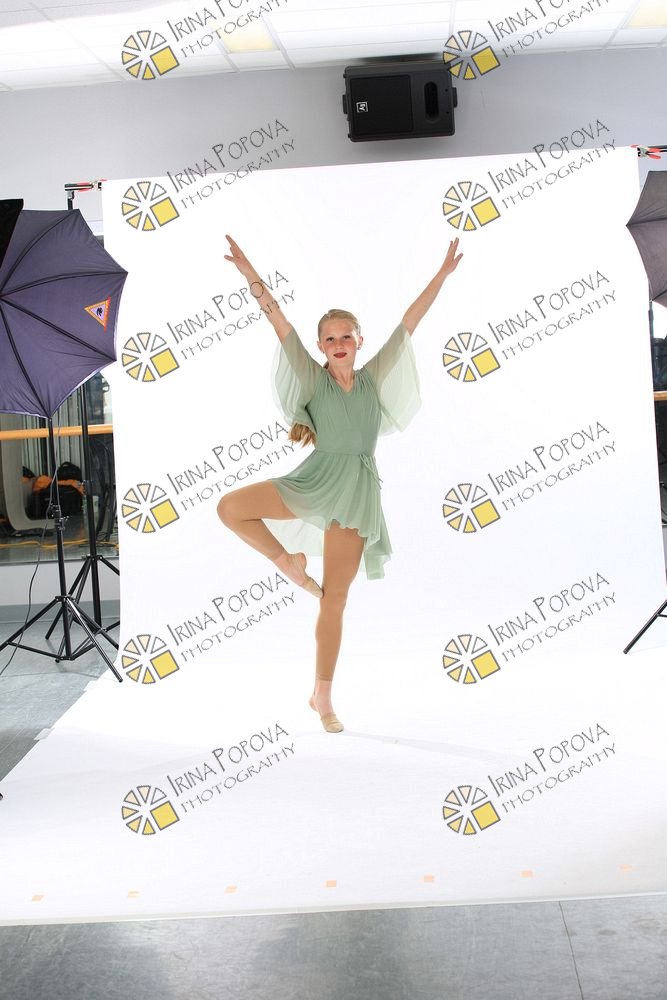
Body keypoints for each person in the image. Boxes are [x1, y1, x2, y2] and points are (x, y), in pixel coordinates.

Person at [218, 234, 463, 733]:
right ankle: (287, 562)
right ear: (321, 347)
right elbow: (278, 322)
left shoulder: (372, 377)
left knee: (335, 599)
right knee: (230, 507)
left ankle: (322, 697)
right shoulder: (313, 379)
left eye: (345, 337)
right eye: (329, 339)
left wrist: (440, 275)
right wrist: (250, 275)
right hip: (315, 479)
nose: (337, 345)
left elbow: (410, 322)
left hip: (356, 493)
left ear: (359, 341)